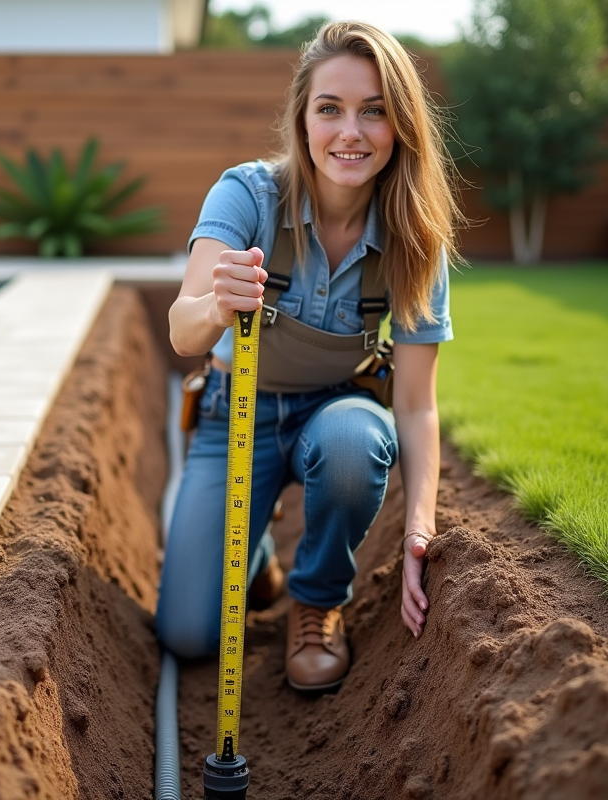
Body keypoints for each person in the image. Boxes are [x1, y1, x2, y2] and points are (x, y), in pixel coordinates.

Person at [156, 20, 463, 691]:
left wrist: (420, 530)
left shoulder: (416, 239)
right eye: (331, 109)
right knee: (186, 632)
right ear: (302, 119)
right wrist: (216, 306)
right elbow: (183, 333)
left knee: (356, 442)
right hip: (234, 411)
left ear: (401, 125)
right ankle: (258, 557)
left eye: (374, 112)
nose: (350, 132)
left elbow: (414, 405)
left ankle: (319, 600)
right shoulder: (245, 196)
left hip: (336, 409)